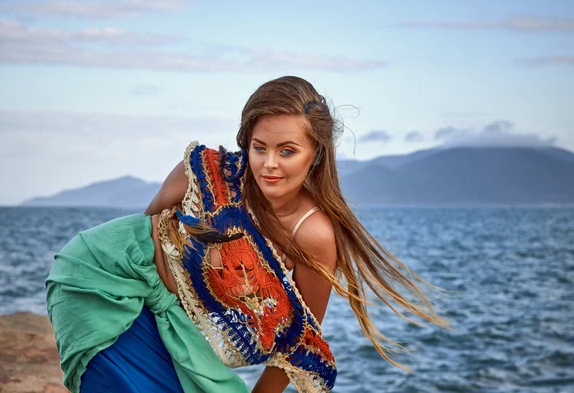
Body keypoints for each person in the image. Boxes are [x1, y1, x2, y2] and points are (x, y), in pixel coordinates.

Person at [46, 76, 451, 393]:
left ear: (317, 155)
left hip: (172, 324)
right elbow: (143, 232)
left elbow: (299, 345)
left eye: (287, 151)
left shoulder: (313, 234)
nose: (269, 164)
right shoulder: (208, 172)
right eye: (260, 148)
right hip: (103, 280)